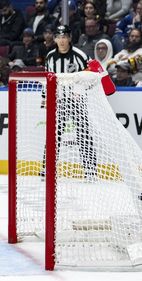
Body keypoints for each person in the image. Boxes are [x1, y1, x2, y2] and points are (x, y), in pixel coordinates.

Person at [44, 24, 96, 179]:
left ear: (70, 39)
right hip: (59, 101)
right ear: (54, 39)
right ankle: (47, 167)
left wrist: (79, 91)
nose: (61, 41)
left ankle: (90, 169)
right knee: (53, 134)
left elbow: (91, 75)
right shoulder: (50, 56)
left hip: (78, 101)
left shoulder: (80, 55)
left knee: (83, 133)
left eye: (64, 37)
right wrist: (45, 97)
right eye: (58, 37)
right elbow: (48, 78)